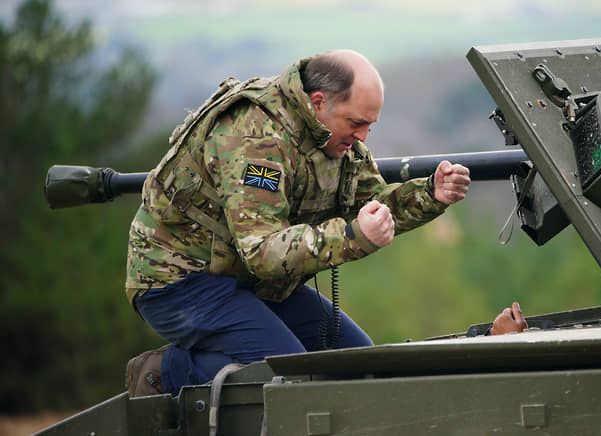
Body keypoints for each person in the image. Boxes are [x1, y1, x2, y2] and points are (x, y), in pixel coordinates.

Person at [125, 50, 471, 397]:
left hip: (252, 281)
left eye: (369, 125)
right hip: (180, 281)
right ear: (319, 102)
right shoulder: (256, 136)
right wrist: (352, 236)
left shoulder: (332, 137)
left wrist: (431, 194)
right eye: (356, 123)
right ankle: (167, 373)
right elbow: (261, 250)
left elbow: (373, 204)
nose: (363, 136)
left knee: (359, 363)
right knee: (288, 374)